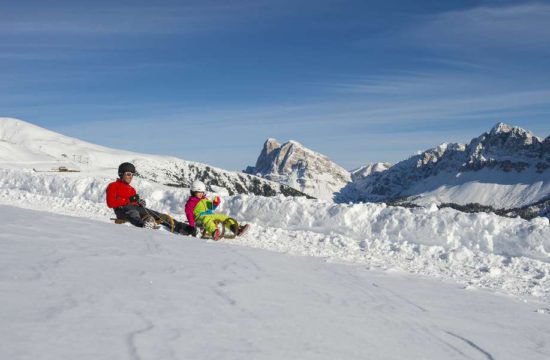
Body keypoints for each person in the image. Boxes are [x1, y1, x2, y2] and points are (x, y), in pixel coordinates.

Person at [106, 162, 194, 235]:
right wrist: (129, 200)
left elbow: (134, 202)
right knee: (132, 212)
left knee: (158, 215)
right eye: (128, 174)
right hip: (122, 211)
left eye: (132, 174)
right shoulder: (113, 186)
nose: (131, 176)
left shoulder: (131, 189)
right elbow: (110, 203)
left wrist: (139, 202)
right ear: (121, 174)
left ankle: (184, 228)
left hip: (135, 208)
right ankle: (144, 225)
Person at [185, 180, 250, 240]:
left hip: (210, 215)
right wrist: (192, 223)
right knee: (206, 219)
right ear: (193, 192)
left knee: (224, 217)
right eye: (198, 192)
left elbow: (211, 207)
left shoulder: (204, 199)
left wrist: (215, 203)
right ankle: (214, 232)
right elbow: (189, 212)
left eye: (202, 192)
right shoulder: (191, 202)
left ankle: (237, 229)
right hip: (199, 218)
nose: (201, 194)